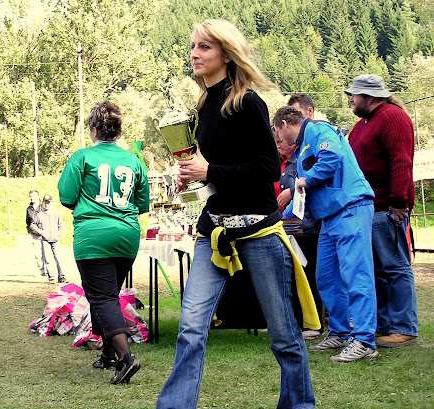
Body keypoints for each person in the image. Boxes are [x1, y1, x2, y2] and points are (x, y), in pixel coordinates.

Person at [156, 19, 318, 409]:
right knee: (190, 329)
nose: (195, 53)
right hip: (213, 233)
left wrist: (209, 170)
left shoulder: (248, 103)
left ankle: (299, 405)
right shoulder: (201, 107)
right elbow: (212, 174)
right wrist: (192, 180)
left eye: (204, 47)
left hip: (259, 232)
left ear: (226, 54)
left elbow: (268, 170)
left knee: (283, 334)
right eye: (192, 46)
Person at [273, 106, 379, 363]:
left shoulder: (318, 129)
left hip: (350, 208)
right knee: (327, 277)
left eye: (277, 131)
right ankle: (340, 332)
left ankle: (364, 340)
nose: (278, 138)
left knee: (356, 273)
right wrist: (277, 219)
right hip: (329, 218)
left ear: (285, 124)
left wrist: (304, 180)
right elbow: (302, 197)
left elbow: (331, 158)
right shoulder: (302, 148)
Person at [58, 100, 149, 385]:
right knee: (108, 294)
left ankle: (126, 357)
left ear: (94, 129)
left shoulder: (82, 157)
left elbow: (66, 197)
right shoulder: (134, 161)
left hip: (93, 235)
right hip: (126, 234)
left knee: (102, 297)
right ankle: (109, 354)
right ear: (118, 132)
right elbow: (142, 203)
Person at [345, 74, 418, 347]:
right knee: (376, 270)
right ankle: (383, 324)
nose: (351, 100)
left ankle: (404, 327)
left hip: (388, 207)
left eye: (354, 95)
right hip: (368, 208)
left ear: (369, 96)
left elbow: (401, 160)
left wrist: (399, 202)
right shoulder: (361, 125)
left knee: (396, 268)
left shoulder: (392, 117)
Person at [273, 128, 323, 340]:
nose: (278, 145)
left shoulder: (301, 158)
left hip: (305, 226)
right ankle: (291, 322)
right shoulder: (276, 162)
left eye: (281, 141)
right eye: (275, 142)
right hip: (283, 226)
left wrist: (292, 191)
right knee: (288, 276)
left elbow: (312, 182)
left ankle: (314, 323)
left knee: (309, 274)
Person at [31, 195, 66, 284]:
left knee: (58, 258)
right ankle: (51, 277)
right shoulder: (40, 214)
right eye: (45, 202)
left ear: (51, 203)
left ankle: (61, 276)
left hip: (55, 239)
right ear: (43, 203)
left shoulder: (57, 213)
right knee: (48, 259)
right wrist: (41, 232)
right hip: (45, 240)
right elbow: (33, 225)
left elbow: (61, 226)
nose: (47, 204)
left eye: (48, 202)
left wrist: (58, 234)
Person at [26, 190, 46, 277]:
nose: (32, 198)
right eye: (30, 196)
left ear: (38, 196)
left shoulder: (43, 206)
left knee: (46, 253)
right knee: (37, 254)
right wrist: (30, 230)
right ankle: (41, 270)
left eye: (33, 196)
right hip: (34, 234)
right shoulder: (29, 209)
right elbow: (28, 221)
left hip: (44, 233)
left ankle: (48, 270)